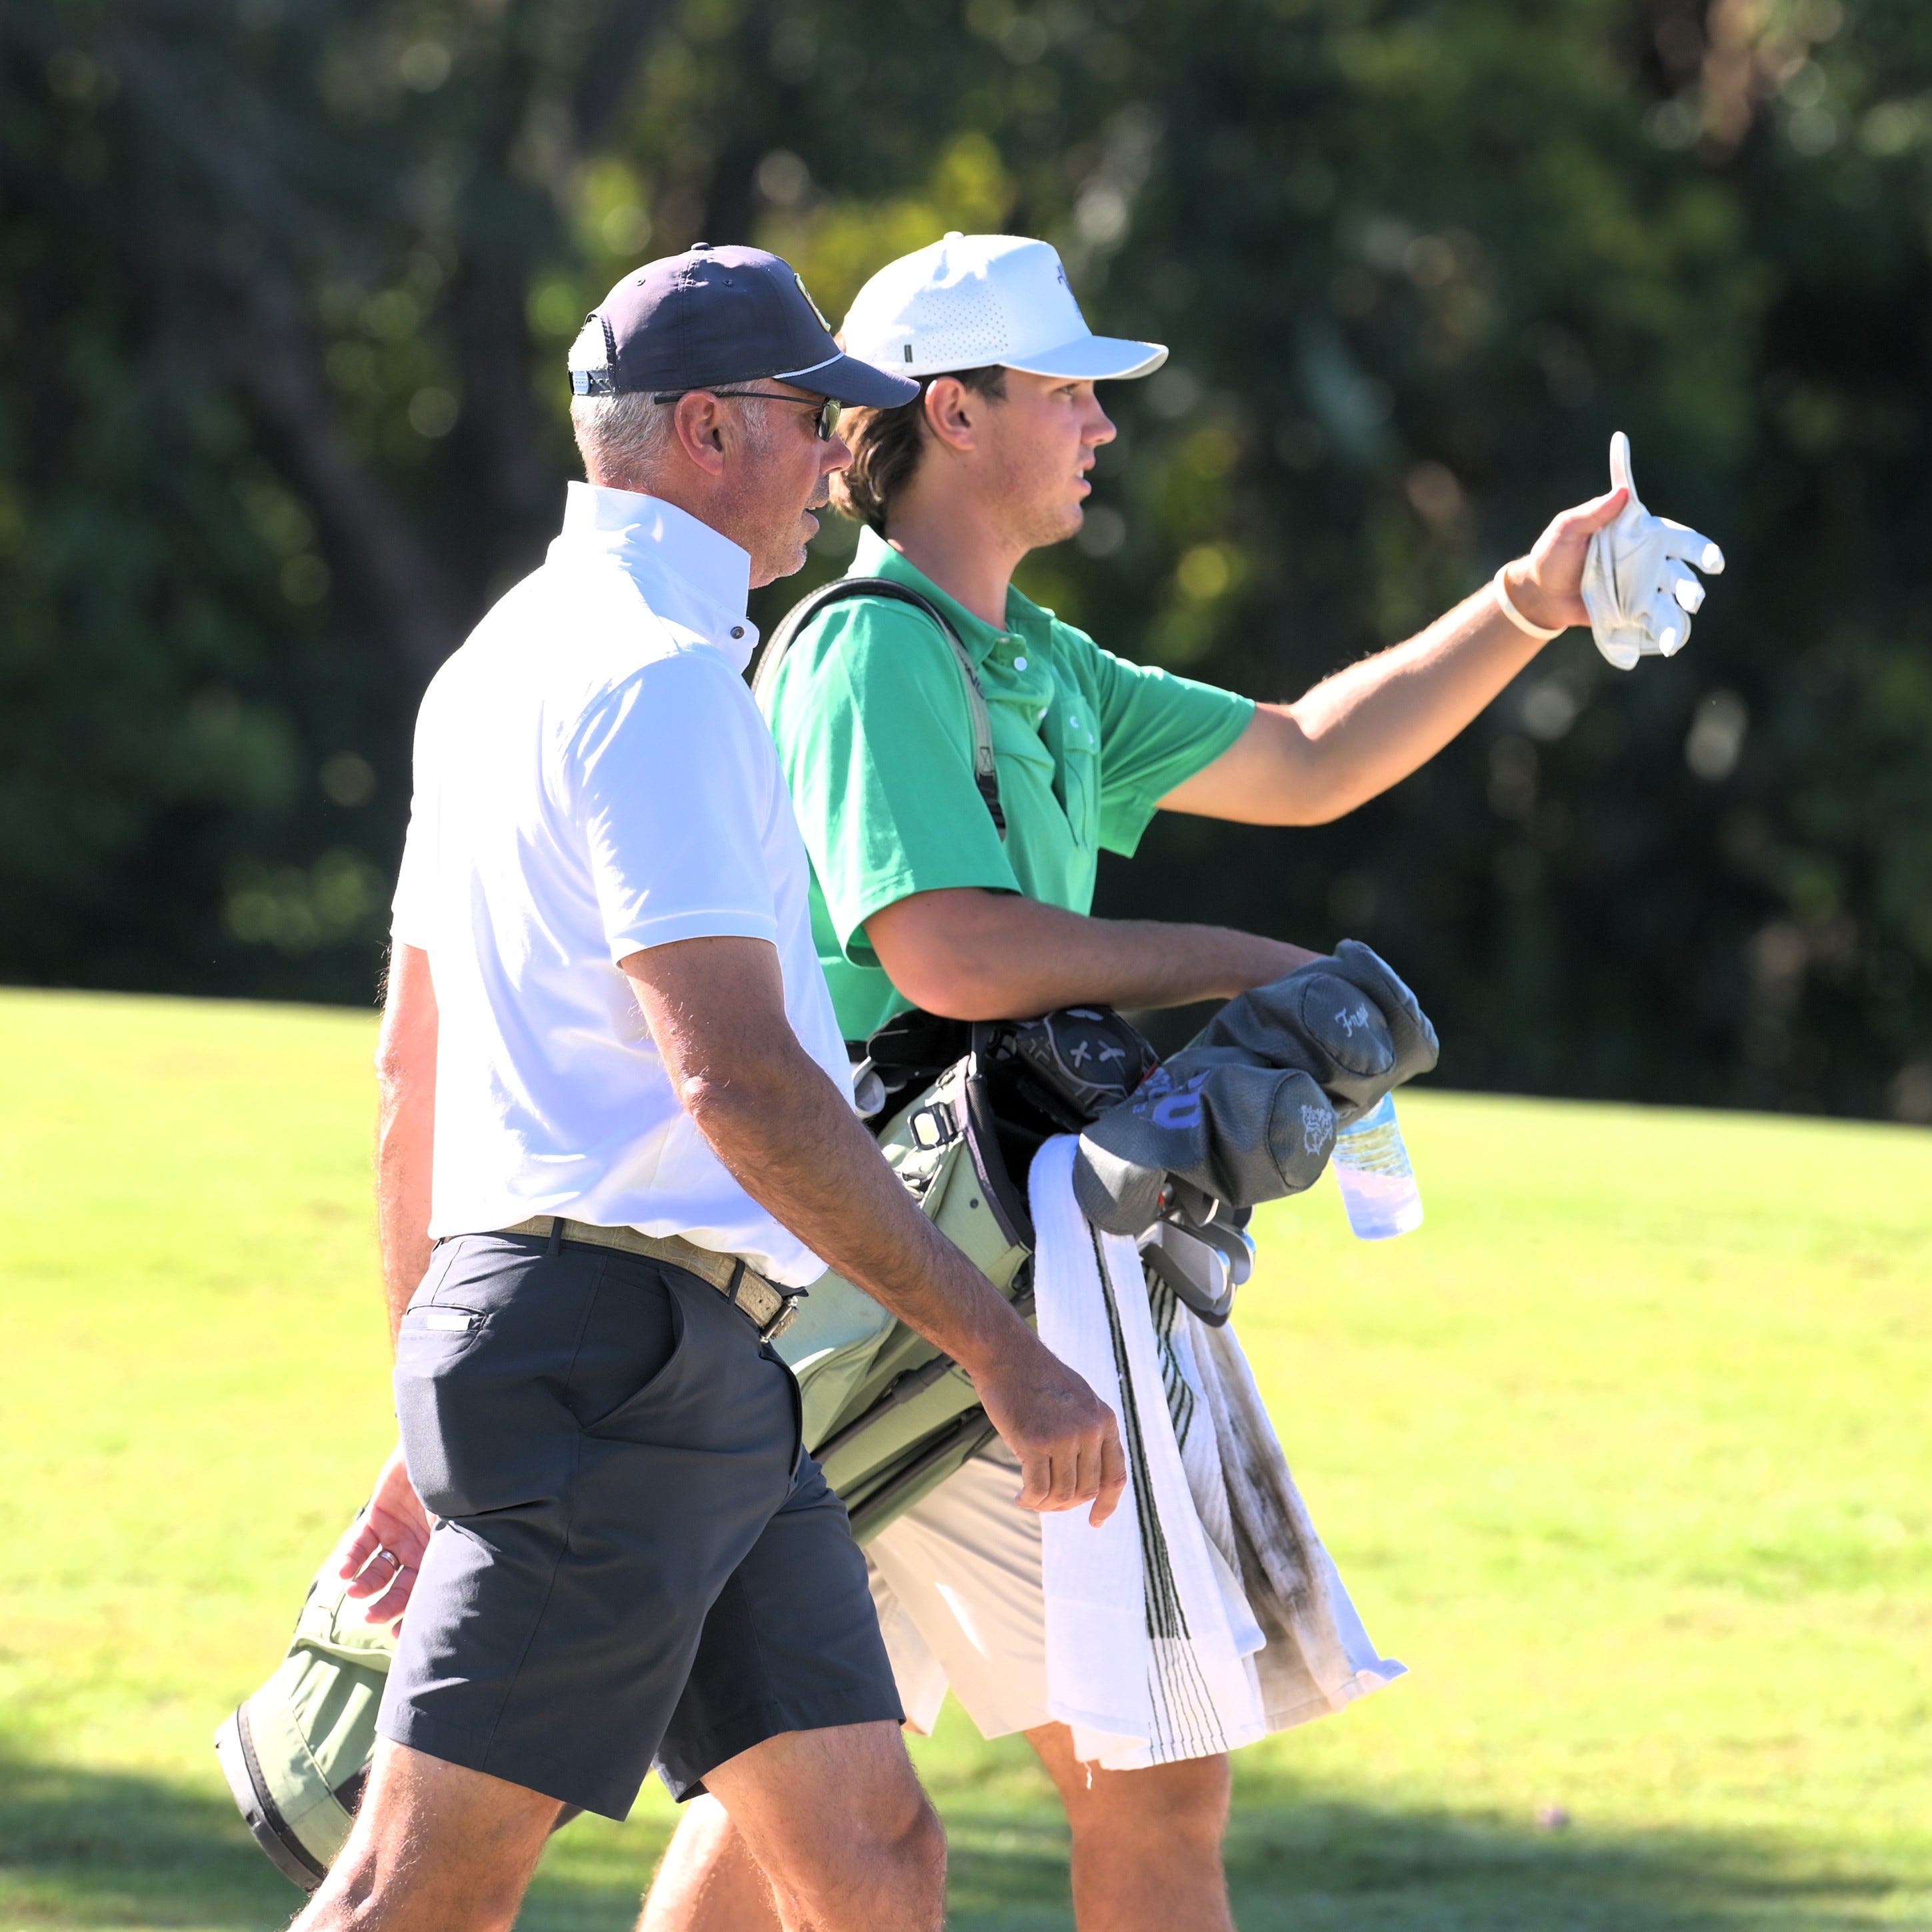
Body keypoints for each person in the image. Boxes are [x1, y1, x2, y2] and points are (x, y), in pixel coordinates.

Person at [640, 232, 1630, 1932]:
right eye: (1071, 392)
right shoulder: (872, 648)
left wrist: (1530, 601)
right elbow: (945, 951)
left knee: (801, 1816)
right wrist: (1250, 965)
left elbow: (1309, 755)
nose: (1103, 424)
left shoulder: (1036, 657)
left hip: (910, 1285)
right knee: (1151, 1784)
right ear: (955, 414)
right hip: (918, 1281)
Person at [297, 243, 1125, 1932]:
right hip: (617, 1369)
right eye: (812, 418)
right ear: (703, 429)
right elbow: (740, 1080)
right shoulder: (661, 682)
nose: (838, 456)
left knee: (877, 1858)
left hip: (677, 1374)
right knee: (416, 1896)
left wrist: (428, 1392)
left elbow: (410, 1068)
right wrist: (1000, 1350)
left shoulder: (502, 660)